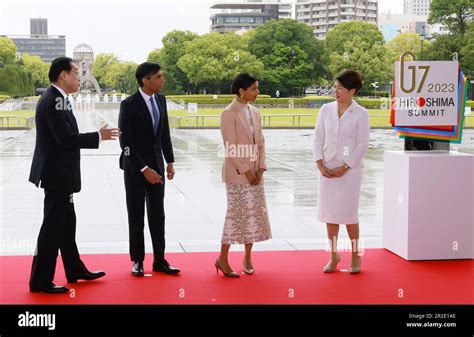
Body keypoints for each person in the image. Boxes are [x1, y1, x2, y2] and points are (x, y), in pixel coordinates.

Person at [28, 57, 121, 294]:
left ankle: (74, 269)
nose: (79, 78)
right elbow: (66, 139)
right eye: (76, 73)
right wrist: (98, 136)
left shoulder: (60, 99)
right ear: (63, 76)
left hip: (61, 175)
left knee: (67, 224)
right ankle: (40, 280)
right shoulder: (53, 101)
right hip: (56, 175)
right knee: (52, 227)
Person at [118, 62, 180, 276]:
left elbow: (164, 134)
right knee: (136, 214)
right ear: (145, 80)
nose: (163, 80)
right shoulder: (129, 104)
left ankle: (160, 260)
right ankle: (137, 260)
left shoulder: (161, 100)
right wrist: (144, 168)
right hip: (135, 168)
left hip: (158, 165)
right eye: (159, 77)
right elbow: (125, 142)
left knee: (158, 214)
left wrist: (169, 162)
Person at [313, 70, 370, 274]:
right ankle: (334, 255)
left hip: (350, 172)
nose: (335, 90)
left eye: (340, 88)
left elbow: (363, 144)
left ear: (352, 90)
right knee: (330, 214)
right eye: (335, 86)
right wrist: (320, 163)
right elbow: (318, 138)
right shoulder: (325, 110)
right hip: (327, 168)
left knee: (349, 215)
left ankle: (355, 255)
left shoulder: (361, 113)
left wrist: (345, 166)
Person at [216, 73, 272, 278]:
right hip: (237, 174)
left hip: (256, 173)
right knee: (235, 216)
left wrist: (261, 168)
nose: (257, 92)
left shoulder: (255, 112)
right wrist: (247, 172)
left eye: (257, 88)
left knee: (253, 217)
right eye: (254, 89)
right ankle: (222, 258)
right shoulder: (228, 113)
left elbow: (262, 143)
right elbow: (230, 146)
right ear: (242, 91)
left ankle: (247, 257)